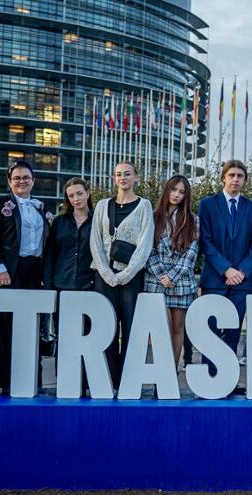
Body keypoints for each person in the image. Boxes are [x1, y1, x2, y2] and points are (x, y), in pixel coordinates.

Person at [0, 160, 50, 391]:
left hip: (34, 271)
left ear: (33, 181)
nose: (22, 181)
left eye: (26, 178)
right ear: (10, 181)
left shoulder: (41, 206)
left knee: (31, 324)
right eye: (17, 178)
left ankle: (29, 377)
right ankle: (2, 378)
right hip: (9, 271)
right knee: (4, 324)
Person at [89, 161, 155, 387]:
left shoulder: (144, 205)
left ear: (136, 177)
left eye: (127, 174)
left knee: (130, 327)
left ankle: (128, 381)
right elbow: (95, 241)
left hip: (131, 276)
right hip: (103, 275)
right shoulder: (102, 205)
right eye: (118, 174)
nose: (122, 178)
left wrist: (125, 274)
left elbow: (145, 244)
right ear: (114, 178)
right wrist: (107, 274)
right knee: (106, 327)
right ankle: (107, 380)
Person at [198, 160, 252, 376]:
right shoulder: (207, 204)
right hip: (215, 279)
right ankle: (209, 378)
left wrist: (241, 271)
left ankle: (227, 377)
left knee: (234, 329)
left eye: (240, 176)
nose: (236, 179)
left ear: (244, 180)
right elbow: (205, 241)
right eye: (232, 175)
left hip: (242, 282)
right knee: (212, 330)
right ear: (223, 177)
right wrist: (226, 270)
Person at [145, 175, 199, 370]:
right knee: (162, 330)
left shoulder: (193, 220)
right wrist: (162, 276)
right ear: (167, 190)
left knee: (178, 330)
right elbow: (146, 249)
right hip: (156, 282)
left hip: (181, 284)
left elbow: (192, 253)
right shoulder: (151, 216)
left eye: (181, 192)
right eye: (173, 190)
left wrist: (173, 276)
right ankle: (161, 372)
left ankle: (171, 372)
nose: (176, 195)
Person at [44, 178, 94, 293]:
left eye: (79, 193)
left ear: (88, 193)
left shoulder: (98, 220)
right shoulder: (59, 222)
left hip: (89, 285)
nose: (76, 199)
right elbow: (49, 255)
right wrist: (47, 285)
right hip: (60, 284)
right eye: (71, 196)